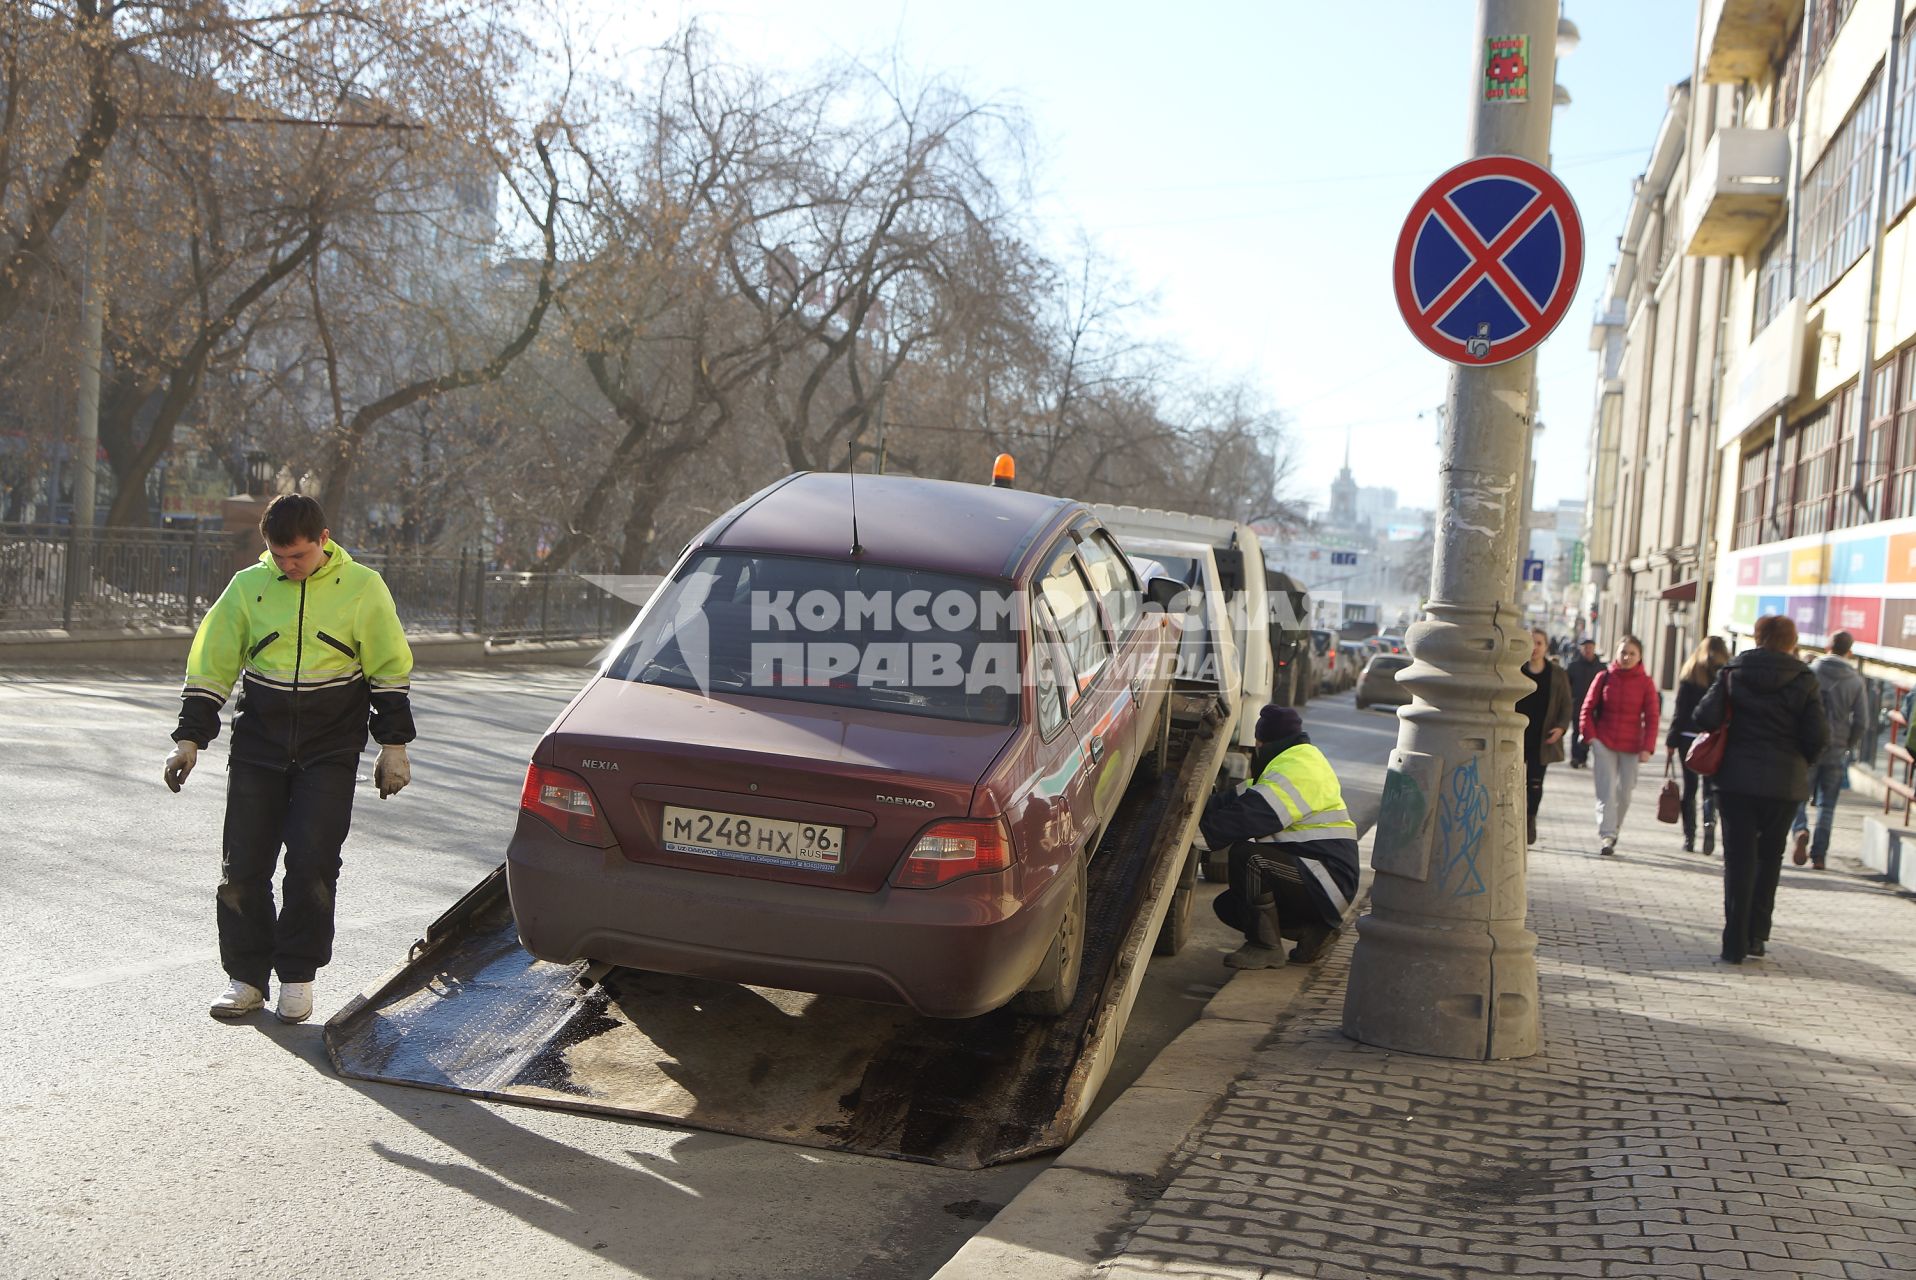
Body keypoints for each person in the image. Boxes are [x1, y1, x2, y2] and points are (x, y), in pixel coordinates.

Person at [163, 494, 416, 1023]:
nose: (289, 567)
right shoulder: (246, 588)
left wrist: (394, 747)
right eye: (278, 557)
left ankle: (297, 976)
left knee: (312, 863)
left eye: (298, 556)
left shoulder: (364, 588)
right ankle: (246, 978)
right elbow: (212, 665)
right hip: (259, 745)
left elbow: (388, 669)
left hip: (330, 748)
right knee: (242, 867)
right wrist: (188, 739)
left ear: (323, 540)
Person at [1693, 614, 1826, 964]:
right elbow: (1818, 737)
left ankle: (1733, 942)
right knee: (1770, 858)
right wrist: (1800, 762)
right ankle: (1757, 936)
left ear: (1758, 637)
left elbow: (1704, 716)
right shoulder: (1804, 679)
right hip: (1784, 785)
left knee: (1738, 860)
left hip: (1736, 781)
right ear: (1791, 642)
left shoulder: (1733, 673)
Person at [1193, 704, 1360, 969]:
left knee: (1249, 859)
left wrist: (1199, 836)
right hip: (1321, 879)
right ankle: (1312, 932)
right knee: (1230, 906)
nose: (1256, 748)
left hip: (1328, 881)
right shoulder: (1286, 766)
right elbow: (1236, 801)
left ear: (1264, 742)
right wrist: (1193, 810)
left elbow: (1253, 814)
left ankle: (1265, 947)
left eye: (1257, 742)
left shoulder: (1299, 768)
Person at [1788, 630, 1868, 870]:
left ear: (1827, 646)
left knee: (1798, 796)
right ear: (1849, 651)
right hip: (1836, 748)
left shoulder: (1811, 672)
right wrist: (1848, 743)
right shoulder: (1855, 681)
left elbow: (1795, 708)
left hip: (1809, 746)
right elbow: (1862, 722)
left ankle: (1800, 829)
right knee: (1827, 804)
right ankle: (1819, 855)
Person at [1578, 634, 1660, 857]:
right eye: (1623, 652)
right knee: (1606, 792)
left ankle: (1615, 828)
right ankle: (1607, 835)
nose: (1626, 657)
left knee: (1625, 792)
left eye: (1632, 653)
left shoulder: (1646, 683)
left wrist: (1647, 747)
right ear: (1616, 653)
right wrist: (1591, 738)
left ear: (1640, 657)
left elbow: (1652, 717)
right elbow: (1586, 708)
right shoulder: (1604, 677)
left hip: (1632, 746)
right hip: (1604, 742)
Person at [1668, 636, 1731, 854]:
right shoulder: (1726, 674)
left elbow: (1680, 709)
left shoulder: (1691, 672)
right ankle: (1709, 823)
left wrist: (1671, 739)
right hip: (1713, 738)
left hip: (1687, 736)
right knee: (1709, 787)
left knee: (1690, 787)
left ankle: (1689, 836)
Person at [1517, 626, 1574, 846]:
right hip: (1517, 737)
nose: (1534, 648)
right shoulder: (1516, 669)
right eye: (1531, 643)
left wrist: (1560, 728)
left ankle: (1529, 822)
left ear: (1546, 647)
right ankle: (1514, 822)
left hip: (1542, 739)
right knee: (1514, 782)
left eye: (1539, 643)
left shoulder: (1557, 673)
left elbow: (1566, 705)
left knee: (1534, 784)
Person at [1565, 638, 1604, 768]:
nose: (1588, 650)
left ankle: (1583, 758)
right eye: (1585, 648)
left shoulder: (1601, 667)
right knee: (1576, 731)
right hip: (1577, 705)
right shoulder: (1573, 666)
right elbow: (1566, 686)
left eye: (1590, 648)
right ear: (1581, 649)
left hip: (1595, 708)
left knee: (1589, 733)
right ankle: (1575, 757)